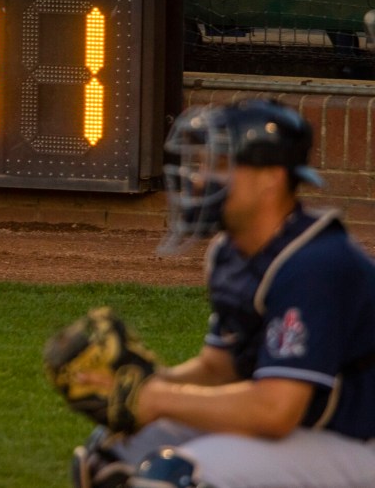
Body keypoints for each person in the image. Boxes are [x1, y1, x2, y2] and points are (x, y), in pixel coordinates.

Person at [71, 99, 375, 488]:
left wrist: (155, 399)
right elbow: (219, 368)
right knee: (110, 451)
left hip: (356, 439)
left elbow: (275, 410)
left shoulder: (317, 263)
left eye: (218, 166)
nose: (198, 180)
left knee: (174, 476)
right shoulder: (229, 252)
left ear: (270, 178)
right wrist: (140, 384)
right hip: (307, 423)